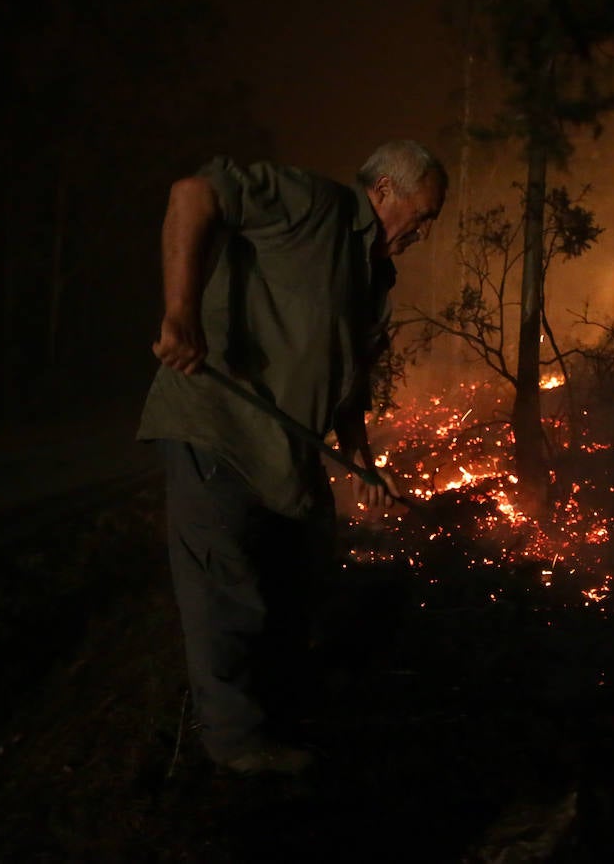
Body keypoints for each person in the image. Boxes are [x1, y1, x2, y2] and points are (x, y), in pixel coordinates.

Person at [137, 140, 447, 775]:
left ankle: (281, 705)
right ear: (384, 190)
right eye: (424, 211)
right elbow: (192, 194)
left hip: (286, 445)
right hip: (218, 422)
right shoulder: (315, 205)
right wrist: (181, 313)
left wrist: (361, 456)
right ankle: (236, 743)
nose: (426, 227)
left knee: (302, 569)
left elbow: (345, 372)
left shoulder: (375, 272)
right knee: (229, 589)